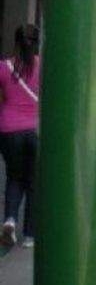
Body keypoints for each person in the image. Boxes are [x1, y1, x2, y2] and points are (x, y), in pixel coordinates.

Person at [0, 25, 40, 248]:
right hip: (33, 130)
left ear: (15, 41)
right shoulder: (42, 66)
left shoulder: (4, 67)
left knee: (14, 177)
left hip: (7, 130)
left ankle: (10, 221)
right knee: (33, 181)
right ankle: (30, 235)